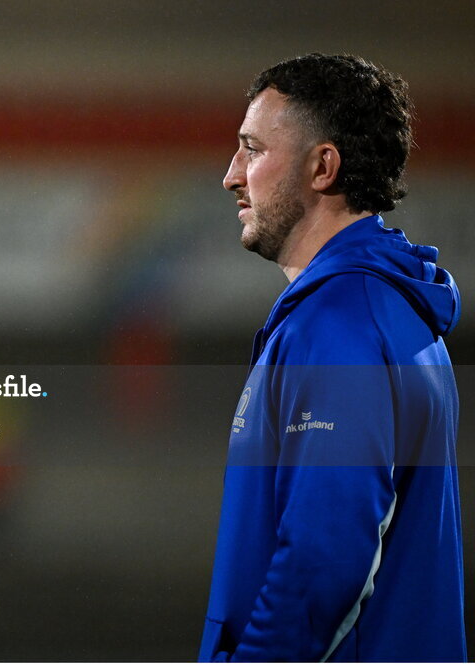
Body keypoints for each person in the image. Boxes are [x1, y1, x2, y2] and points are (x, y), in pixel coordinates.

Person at [199, 53, 465, 661]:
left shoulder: (339, 325)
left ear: (323, 167)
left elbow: (324, 561)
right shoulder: (383, 310)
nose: (231, 175)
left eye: (252, 149)